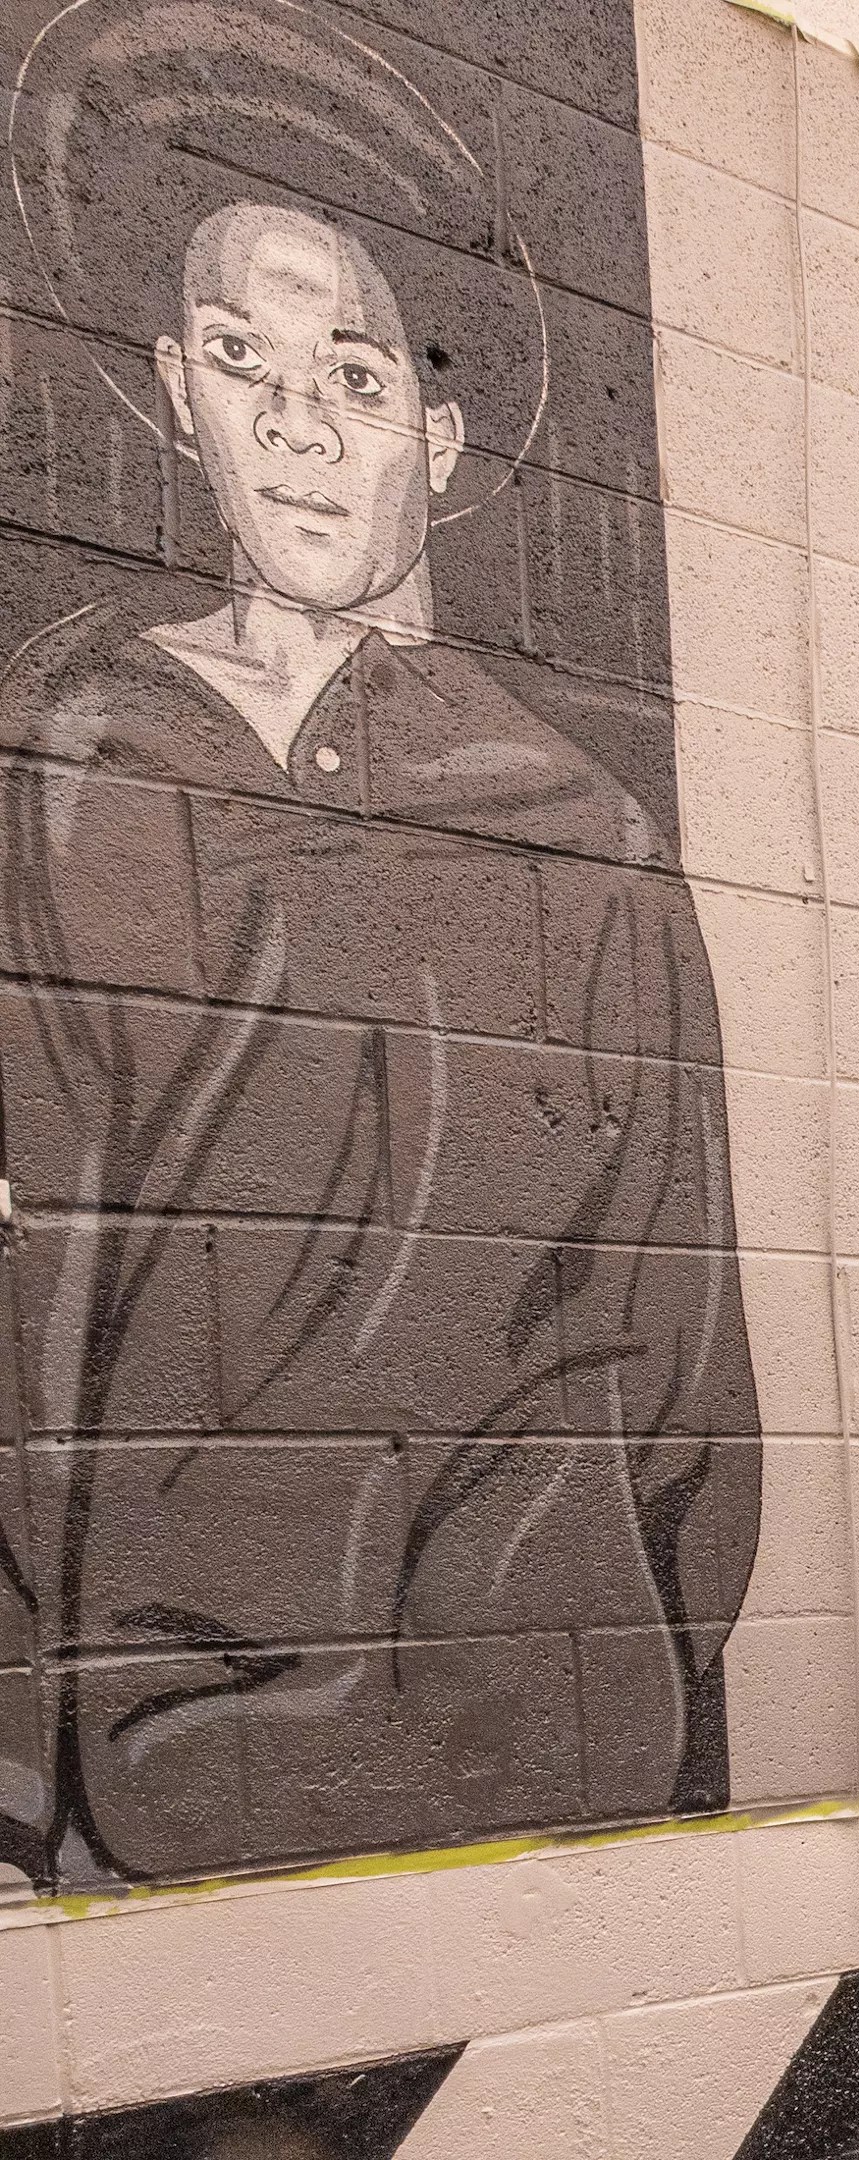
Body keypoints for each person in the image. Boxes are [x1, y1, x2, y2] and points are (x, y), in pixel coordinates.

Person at [0, 0, 760, 1890]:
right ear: (173, 389)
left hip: (555, 1738)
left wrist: (673, 1755)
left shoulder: (580, 835)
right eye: (242, 363)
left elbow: (680, 1356)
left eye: (351, 375)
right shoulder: (64, 763)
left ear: (436, 429)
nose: (296, 428)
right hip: (164, 1756)